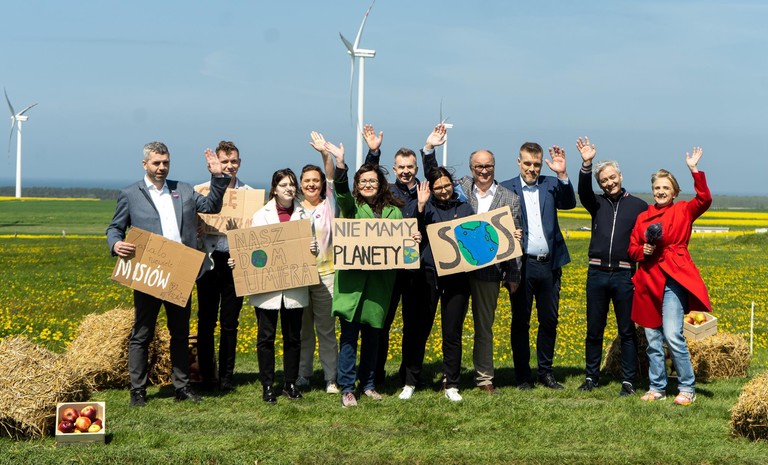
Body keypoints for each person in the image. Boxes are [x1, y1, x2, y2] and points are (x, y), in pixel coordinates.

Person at [106, 141, 229, 407]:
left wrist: (218, 177)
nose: (162, 167)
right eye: (156, 163)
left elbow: (212, 206)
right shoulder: (130, 194)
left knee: (180, 334)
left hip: (180, 272)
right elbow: (115, 228)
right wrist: (115, 244)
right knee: (142, 333)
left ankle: (181, 387)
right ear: (145, 164)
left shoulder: (183, 190)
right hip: (148, 272)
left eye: (166, 163)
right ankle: (137, 390)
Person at [423, 124, 522, 394]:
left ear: (494, 167)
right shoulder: (461, 187)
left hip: (488, 272)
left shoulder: (510, 198)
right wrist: (429, 149)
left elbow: (514, 238)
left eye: (488, 166)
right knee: (451, 328)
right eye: (478, 166)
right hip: (454, 271)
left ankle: (484, 378)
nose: (483, 170)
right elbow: (435, 179)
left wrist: (513, 274)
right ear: (471, 168)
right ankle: (449, 376)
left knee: (484, 327)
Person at [325, 140, 419, 407]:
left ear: (380, 184)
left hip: (379, 284)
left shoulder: (394, 212)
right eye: (363, 181)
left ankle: (367, 384)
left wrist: (412, 239)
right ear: (357, 184)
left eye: (372, 181)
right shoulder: (351, 208)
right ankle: (347, 387)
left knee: (373, 337)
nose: (368, 184)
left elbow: (403, 249)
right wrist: (340, 164)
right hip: (353, 286)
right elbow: (341, 192)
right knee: (349, 338)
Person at [628, 147, 712, 406]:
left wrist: (694, 170)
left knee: (673, 334)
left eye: (666, 188)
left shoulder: (684, 210)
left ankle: (687, 388)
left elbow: (704, 199)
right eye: (657, 188)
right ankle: (657, 388)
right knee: (652, 339)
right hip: (648, 278)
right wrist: (642, 250)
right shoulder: (643, 217)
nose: (661, 191)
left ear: (675, 192)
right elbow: (632, 248)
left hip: (674, 278)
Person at [575, 136, 647, 396]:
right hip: (596, 273)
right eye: (604, 180)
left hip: (625, 275)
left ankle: (628, 382)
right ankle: (591, 377)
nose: (609, 183)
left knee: (626, 331)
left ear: (621, 176)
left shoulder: (639, 206)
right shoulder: (595, 203)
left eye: (612, 177)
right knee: (594, 330)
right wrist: (586, 164)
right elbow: (583, 191)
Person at [501, 142, 576, 390]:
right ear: (519, 162)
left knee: (549, 321)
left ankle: (545, 372)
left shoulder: (551, 184)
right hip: (522, 265)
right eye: (527, 164)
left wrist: (562, 174)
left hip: (550, 265)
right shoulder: (506, 188)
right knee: (520, 322)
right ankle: (523, 376)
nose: (531, 169)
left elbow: (569, 203)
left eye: (536, 164)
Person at [361, 124, 428, 390]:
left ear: (416, 168)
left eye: (410, 166)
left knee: (414, 327)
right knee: (381, 324)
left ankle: (409, 377)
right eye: (401, 167)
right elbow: (366, 179)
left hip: (416, 270)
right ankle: (375, 376)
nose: (405, 171)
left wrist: (421, 210)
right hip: (388, 269)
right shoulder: (385, 191)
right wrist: (373, 152)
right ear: (394, 168)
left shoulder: (425, 192)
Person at [248, 168, 310, 404]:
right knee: (266, 337)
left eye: (292, 184)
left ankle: (290, 383)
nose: (289, 189)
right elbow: (253, 252)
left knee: (293, 337)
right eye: (284, 185)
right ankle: (267, 385)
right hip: (268, 288)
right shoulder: (260, 216)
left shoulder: (304, 214)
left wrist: (312, 249)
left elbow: (308, 248)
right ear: (274, 189)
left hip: (294, 285)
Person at [195, 140, 252, 392]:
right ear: (215, 163)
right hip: (208, 261)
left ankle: (227, 377)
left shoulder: (250, 194)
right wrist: (196, 229)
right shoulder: (200, 190)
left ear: (240, 163)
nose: (229, 166)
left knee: (230, 322)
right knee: (206, 321)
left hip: (234, 262)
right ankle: (207, 375)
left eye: (233, 161)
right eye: (224, 161)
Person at [415, 167, 474, 401]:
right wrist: (420, 207)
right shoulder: (425, 208)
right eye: (438, 187)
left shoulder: (465, 208)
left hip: (457, 277)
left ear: (453, 184)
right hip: (428, 275)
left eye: (446, 185)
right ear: (431, 189)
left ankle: (452, 383)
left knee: (452, 332)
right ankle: (410, 380)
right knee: (420, 329)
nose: (443, 190)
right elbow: (412, 230)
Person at [294, 131, 340, 395]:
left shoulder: (329, 205)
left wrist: (325, 154)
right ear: (300, 184)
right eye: (307, 181)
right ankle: (303, 374)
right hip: (299, 276)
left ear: (322, 184)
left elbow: (332, 177)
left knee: (326, 330)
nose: (311, 185)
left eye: (315, 181)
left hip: (327, 274)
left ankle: (331, 377)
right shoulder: (294, 208)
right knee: (303, 331)